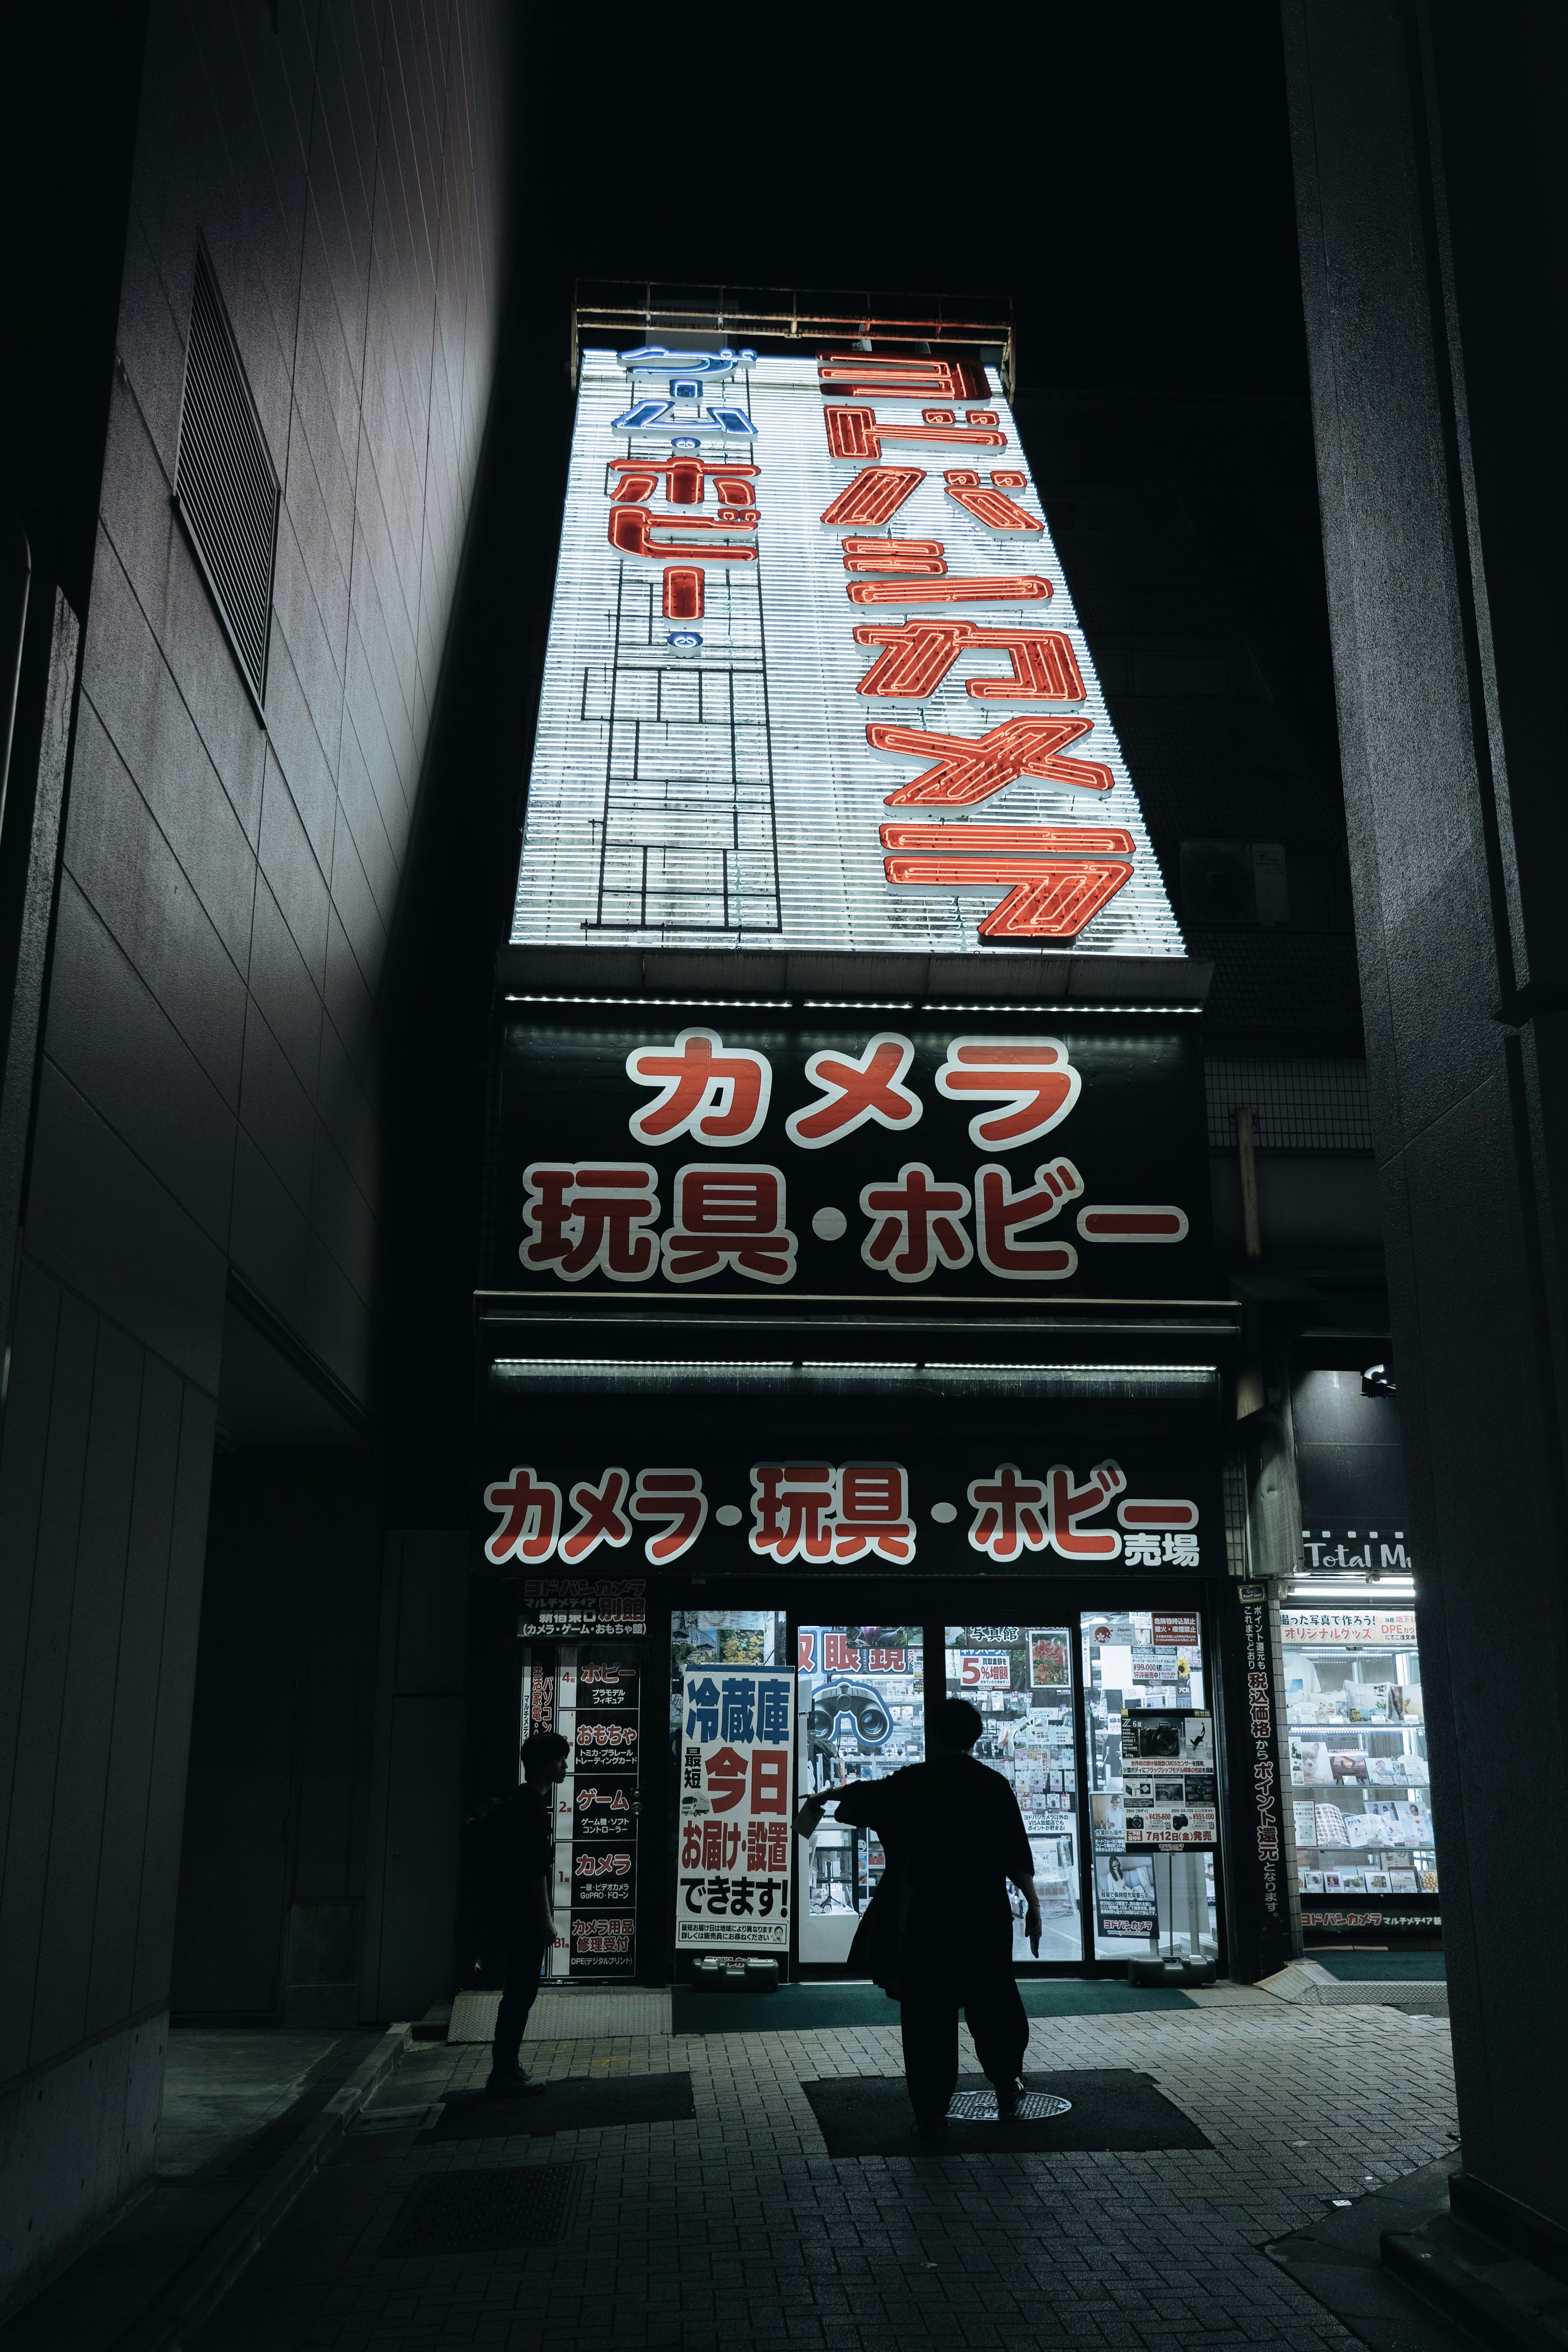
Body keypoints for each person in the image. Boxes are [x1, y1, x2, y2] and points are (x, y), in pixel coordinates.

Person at [794, 1695, 1042, 2140]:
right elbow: (1014, 1854)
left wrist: (825, 1796)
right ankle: (1007, 2084)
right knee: (994, 2001)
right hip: (984, 1912)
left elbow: (864, 1796)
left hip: (928, 1915)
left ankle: (930, 2111)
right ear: (975, 1737)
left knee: (928, 2013)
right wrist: (1034, 1906)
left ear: (934, 1735)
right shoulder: (994, 1785)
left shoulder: (913, 1782)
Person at [477, 1728, 570, 2097]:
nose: (565, 1765)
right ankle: (505, 2071)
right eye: (560, 1759)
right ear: (542, 1765)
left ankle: (505, 2067)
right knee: (520, 1992)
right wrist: (546, 1919)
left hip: (513, 1911)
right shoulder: (531, 1806)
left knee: (518, 1990)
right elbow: (535, 1870)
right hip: (525, 1914)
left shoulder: (523, 1800)